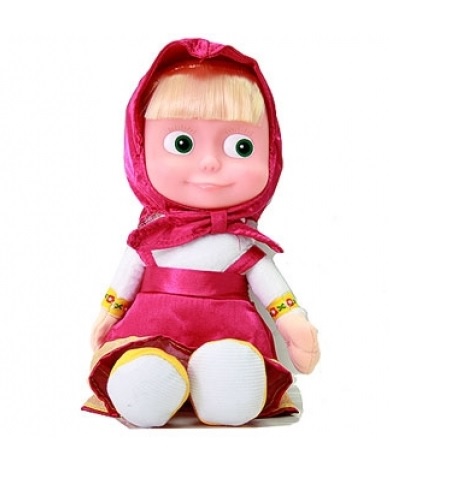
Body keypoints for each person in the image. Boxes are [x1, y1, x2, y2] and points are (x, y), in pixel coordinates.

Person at [82, 38, 320, 428]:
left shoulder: (240, 242)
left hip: (231, 335)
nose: (209, 162)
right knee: (144, 368)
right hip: (150, 332)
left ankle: (228, 384)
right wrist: (107, 315)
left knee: (231, 366)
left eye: (241, 146)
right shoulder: (151, 236)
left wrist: (295, 323)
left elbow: (276, 294)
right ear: (140, 149)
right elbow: (123, 284)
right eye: (182, 143)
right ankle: (148, 382)